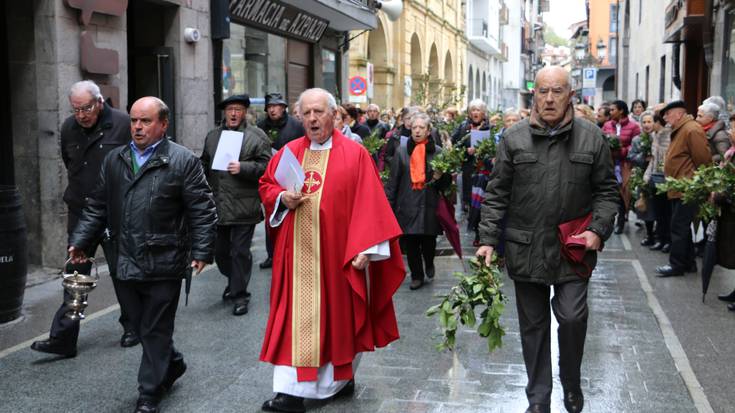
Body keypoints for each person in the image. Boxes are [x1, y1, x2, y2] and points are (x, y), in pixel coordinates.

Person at [476, 66, 618, 413]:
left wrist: (598, 230)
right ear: (534, 95)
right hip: (526, 247)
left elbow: (607, 192)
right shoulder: (513, 138)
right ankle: (538, 398)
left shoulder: (591, 137)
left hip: (573, 250)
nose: (550, 98)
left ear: (571, 95)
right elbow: (497, 195)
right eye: (543, 91)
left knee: (571, 318)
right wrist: (488, 240)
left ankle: (571, 382)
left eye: (557, 91)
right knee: (533, 327)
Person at [258, 88, 405, 413]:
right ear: (299, 117)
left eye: (318, 112)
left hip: (336, 257)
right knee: (291, 320)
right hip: (294, 259)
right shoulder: (288, 152)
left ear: (334, 115)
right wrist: (282, 198)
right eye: (306, 113)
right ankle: (289, 391)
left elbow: (371, 204)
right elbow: (267, 185)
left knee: (337, 320)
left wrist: (368, 247)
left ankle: (340, 379)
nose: (312, 119)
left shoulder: (354, 155)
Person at [68, 96, 217, 413]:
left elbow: (202, 210)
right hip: (124, 258)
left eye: (145, 121)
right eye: (134, 120)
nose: (137, 126)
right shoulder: (115, 159)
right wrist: (81, 241)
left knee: (155, 327)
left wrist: (203, 249)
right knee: (139, 324)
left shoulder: (182, 161)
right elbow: (97, 205)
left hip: (164, 259)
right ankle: (172, 362)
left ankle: (148, 393)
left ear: (163, 124)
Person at [30, 80, 136, 358]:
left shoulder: (124, 124)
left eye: (86, 108)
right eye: (76, 109)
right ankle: (64, 339)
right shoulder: (68, 127)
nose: (81, 115)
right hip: (81, 210)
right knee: (75, 275)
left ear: (99, 102)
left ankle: (133, 326)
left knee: (121, 272)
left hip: (114, 211)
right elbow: (70, 161)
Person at [200, 94, 271, 316]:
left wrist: (244, 167)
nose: (233, 113)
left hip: (244, 205)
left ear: (245, 112)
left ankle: (240, 295)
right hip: (218, 204)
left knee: (240, 252)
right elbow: (203, 164)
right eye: (230, 109)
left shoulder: (257, 136)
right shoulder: (213, 136)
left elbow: (267, 166)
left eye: (238, 109)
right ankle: (234, 280)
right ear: (224, 112)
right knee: (220, 253)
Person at [385, 112, 449, 290]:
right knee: (411, 243)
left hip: (429, 204)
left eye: (422, 128)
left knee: (428, 242)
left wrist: (440, 177)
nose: (417, 131)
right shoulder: (402, 151)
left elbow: (446, 185)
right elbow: (393, 181)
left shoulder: (438, 153)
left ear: (429, 131)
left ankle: (429, 262)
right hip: (408, 203)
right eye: (414, 127)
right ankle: (417, 275)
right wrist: (388, 206)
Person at [655, 100, 712, 277]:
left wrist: (701, 185)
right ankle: (688, 263)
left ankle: (677, 265)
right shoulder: (682, 128)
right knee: (681, 227)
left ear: (678, 114)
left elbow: (703, 159)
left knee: (678, 227)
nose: (665, 117)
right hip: (679, 187)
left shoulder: (691, 129)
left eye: (667, 114)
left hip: (687, 188)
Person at [257, 92, 306, 269]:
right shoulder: (260, 126)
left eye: (276, 106)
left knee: (291, 216)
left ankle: (291, 250)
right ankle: (272, 253)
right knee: (271, 216)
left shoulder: (297, 125)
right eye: (269, 107)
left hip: (293, 175)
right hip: (270, 176)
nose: (272, 110)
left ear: (283, 108)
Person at [602, 100, 641, 234]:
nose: (610, 112)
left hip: (625, 164)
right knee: (610, 190)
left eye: (613, 110)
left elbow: (636, 144)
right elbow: (601, 139)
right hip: (610, 163)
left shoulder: (633, 126)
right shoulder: (607, 125)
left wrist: (623, 150)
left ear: (621, 111)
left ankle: (621, 220)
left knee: (623, 192)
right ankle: (610, 219)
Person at [644, 105, 673, 253]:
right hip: (655, 178)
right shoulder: (655, 136)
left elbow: (668, 159)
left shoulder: (669, 135)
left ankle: (667, 240)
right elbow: (654, 159)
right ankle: (660, 239)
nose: (649, 125)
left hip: (667, 179)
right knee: (659, 211)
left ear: (658, 122)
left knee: (666, 212)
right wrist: (647, 176)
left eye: (652, 122)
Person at [453, 99, 488, 212]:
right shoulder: (463, 127)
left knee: (481, 197)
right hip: (467, 167)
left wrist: (481, 150)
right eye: (473, 110)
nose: (475, 113)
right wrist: (465, 151)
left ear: (483, 112)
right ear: (469, 113)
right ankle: (468, 211)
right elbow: (454, 145)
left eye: (478, 110)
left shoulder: (489, 127)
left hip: (483, 168)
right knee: (467, 195)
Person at [628, 111, 657, 245]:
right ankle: (649, 234)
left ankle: (660, 234)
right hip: (643, 175)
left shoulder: (658, 137)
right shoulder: (637, 140)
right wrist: (643, 157)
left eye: (649, 121)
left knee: (659, 207)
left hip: (657, 175)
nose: (646, 125)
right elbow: (631, 157)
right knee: (646, 207)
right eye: (644, 122)